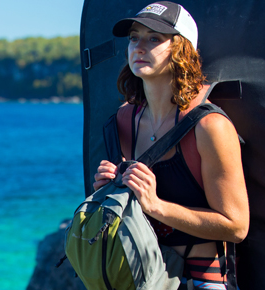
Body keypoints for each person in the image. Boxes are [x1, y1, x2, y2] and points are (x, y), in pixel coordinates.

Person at [92, 2, 249, 289]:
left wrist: (156, 206)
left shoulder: (209, 127)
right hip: (139, 273)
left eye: (154, 38)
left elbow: (236, 226)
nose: (139, 47)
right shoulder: (125, 119)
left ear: (181, 50)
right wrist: (110, 190)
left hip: (201, 278)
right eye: (134, 38)